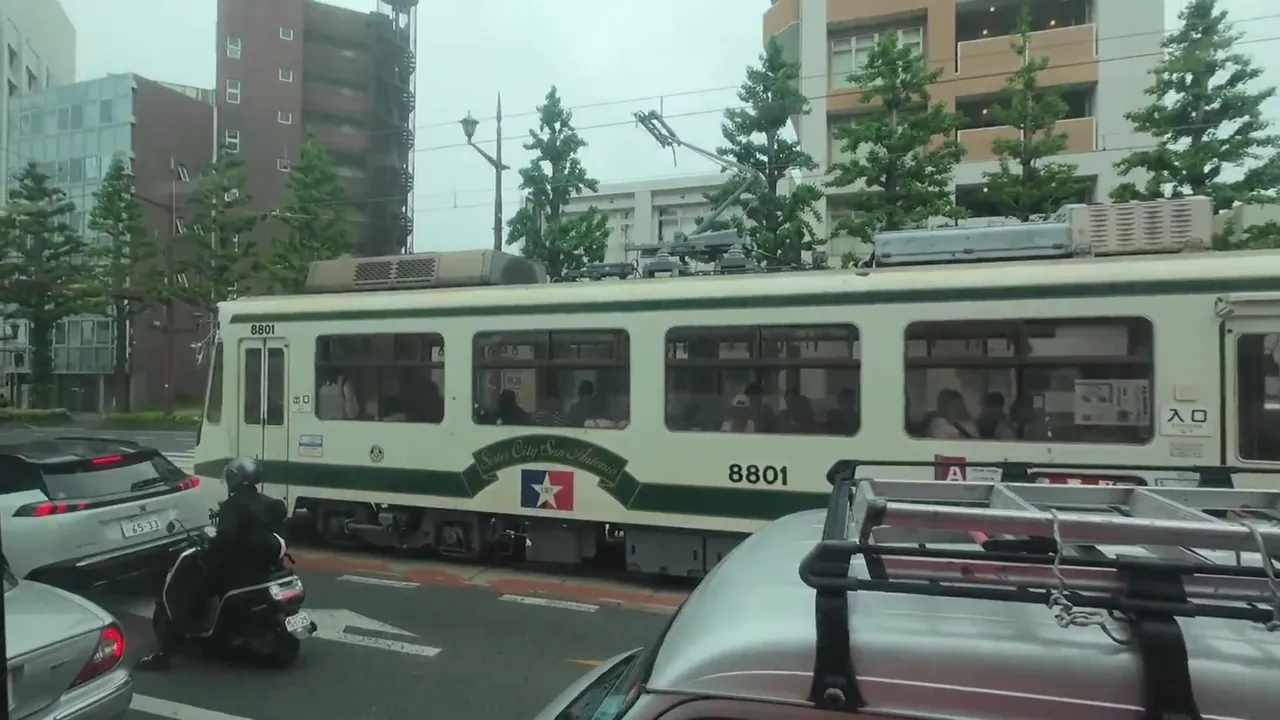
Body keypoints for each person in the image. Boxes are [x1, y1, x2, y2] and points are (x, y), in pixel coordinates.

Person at [135, 457, 287, 671]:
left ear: (234, 478)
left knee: (187, 594)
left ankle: (163, 655)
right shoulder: (268, 502)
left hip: (238, 571)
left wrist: (208, 550)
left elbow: (224, 540)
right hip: (266, 567)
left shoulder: (233, 506)